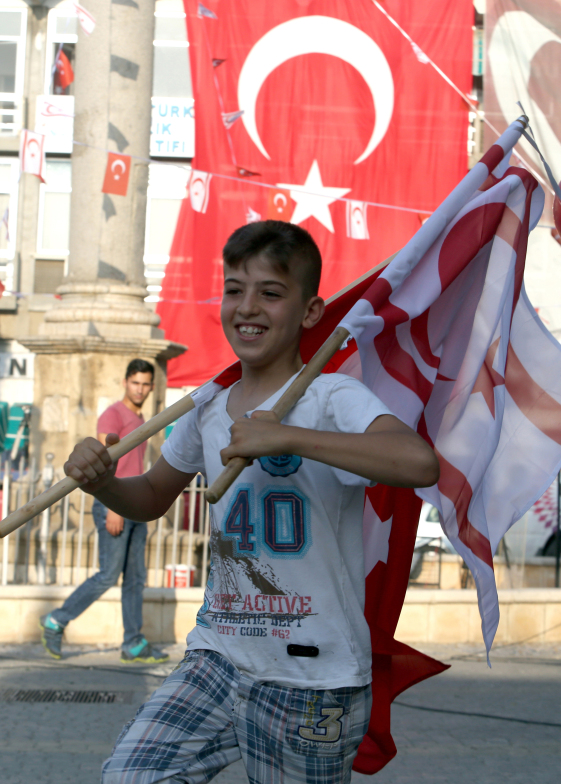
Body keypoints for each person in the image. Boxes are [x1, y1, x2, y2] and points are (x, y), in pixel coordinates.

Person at [63, 221, 439, 784]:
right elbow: (150, 497)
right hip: (217, 655)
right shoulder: (207, 406)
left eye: (270, 292)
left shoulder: (331, 396)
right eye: (235, 289)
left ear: (310, 312)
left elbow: (417, 462)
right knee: (131, 774)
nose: (248, 306)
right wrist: (102, 483)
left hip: (313, 679)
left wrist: (285, 437)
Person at [39, 359, 169, 665]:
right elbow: (102, 462)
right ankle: (56, 620)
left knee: (135, 579)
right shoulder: (113, 414)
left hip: (135, 505)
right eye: (135, 382)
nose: (140, 389)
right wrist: (113, 506)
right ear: (125, 382)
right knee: (108, 574)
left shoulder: (139, 417)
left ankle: (133, 643)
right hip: (115, 504)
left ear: (152, 386)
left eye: (145, 384)